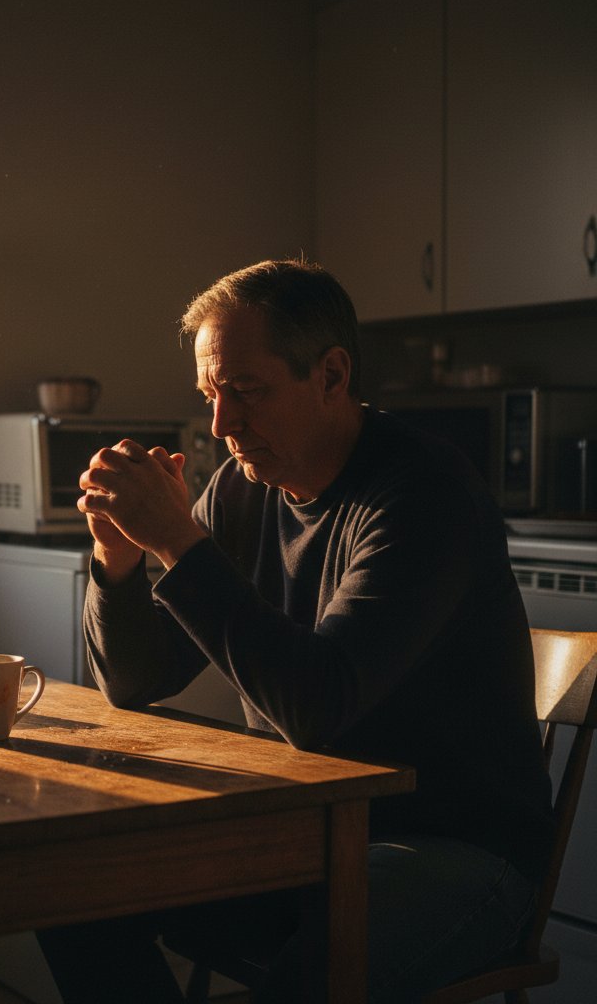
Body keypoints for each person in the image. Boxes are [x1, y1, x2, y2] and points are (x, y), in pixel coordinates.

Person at [36, 259, 554, 1003]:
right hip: (307, 830)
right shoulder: (244, 488)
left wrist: (180, 546)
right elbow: (136, 679)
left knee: (306, 982)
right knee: (66, 891)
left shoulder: (422, 494)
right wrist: (118, 560)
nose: (222, 424)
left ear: (332, 375)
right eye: (211, 394)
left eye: (246, 391)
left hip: (455, 848)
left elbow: (318, 705)